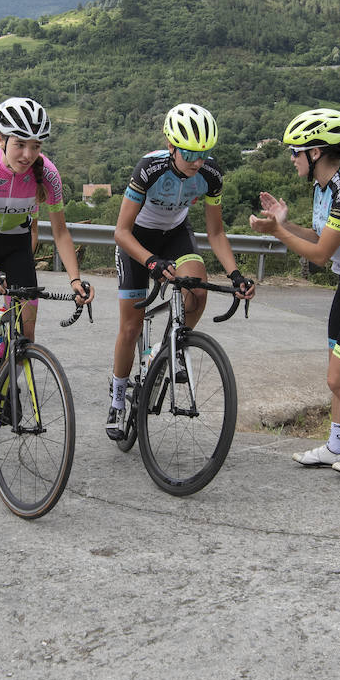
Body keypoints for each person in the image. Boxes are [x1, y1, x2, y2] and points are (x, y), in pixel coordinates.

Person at [248, 108, 340, 477]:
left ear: (315, 153)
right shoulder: (323, 189)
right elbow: (319, 237)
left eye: (295, 151)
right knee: (339, 372)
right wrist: (286, 225)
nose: (291, 158)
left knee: (339, 379)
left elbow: (319, 256)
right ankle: (336, 446)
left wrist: (276, 233)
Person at [105, 103, 255, 440]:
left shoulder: (210, 175)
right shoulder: (149, 168)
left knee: (197, 291)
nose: (197, 161)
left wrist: (235, 275)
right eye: (189, 153)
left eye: (204, 153)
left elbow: (215, 234)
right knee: (129, 327)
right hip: (137, 240)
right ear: (172, 146)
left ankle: (166, 349)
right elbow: (121, 232)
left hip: (175, 234)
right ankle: (116, 398)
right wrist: (151, 262)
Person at [0, 96, 95, 432]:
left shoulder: (47, 174)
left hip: (17, 244)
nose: (28, 155)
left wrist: (75, 280)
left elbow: (60, 233)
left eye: (35, 146)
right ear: (0, 139)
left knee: (25, 331)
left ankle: (3, 386)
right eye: (20, 144)